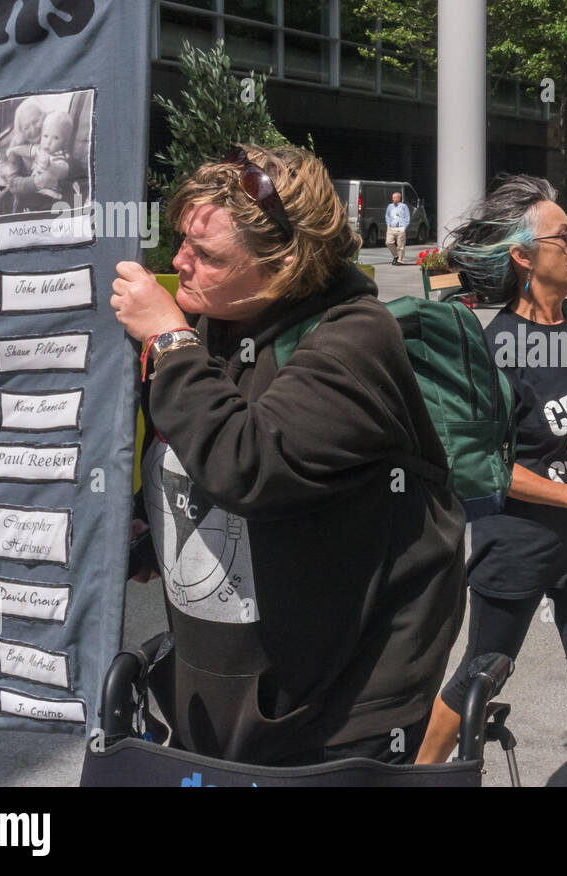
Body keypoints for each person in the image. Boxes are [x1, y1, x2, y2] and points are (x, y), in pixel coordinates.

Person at [109, 143, 465, 766]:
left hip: (333, 712)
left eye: (207, 256)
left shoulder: (355, 340)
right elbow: (191, 453)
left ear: (285, 267)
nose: (179, 263)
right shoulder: (220, 318)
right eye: (180, 242)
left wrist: (168, 340)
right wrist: (151, 528)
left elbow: (249, 463)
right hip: (221, 698)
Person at [413, 174, 567, 786]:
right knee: (481, 671)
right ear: (523, 256)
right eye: (564, 236)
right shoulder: (496, 349)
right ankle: (414, 776)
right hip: (516, 548)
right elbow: (487, 463)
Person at [386, 190, 410, 264]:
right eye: (393, 198)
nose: (393, 199)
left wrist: (404, 227)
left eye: (395, 198)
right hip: (391, 227)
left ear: (399, 198)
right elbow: (387, 216)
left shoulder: (404, 206)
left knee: (400, 245)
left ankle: (400, 260)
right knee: (389, 242)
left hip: (400, 228)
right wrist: (388, 224)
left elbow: (407, 217)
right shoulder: (390, 206)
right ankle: (395, 256)